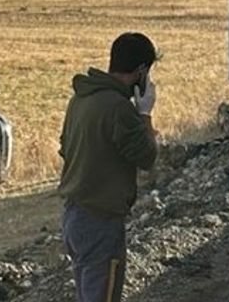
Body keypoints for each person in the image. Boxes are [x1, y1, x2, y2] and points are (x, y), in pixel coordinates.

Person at [58, 32, 159, 302]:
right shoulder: (119, 109)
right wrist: (145, 113)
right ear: (142, 71)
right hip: (100, 222)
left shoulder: (80, 99)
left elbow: (64, 148)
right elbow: (148, 157)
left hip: (74, 215)